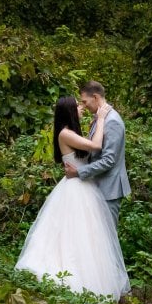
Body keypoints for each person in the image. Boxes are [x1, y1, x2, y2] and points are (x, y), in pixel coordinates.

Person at [14, 93, 131, 300]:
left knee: (87, 236)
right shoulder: (65, 134)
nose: (81, 107)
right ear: (68, 110)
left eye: (82, 103)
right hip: (76, 188)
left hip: (84, 185)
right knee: (74, 235)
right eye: (77, 105)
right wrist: (102, 119)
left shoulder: (71, 132)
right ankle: (73, 278)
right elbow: (95, 146)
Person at [64, 81, 131, 233]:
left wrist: (79, 172)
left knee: (107, 237)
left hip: (109, 188)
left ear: (95, 97)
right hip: (98, 186)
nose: (84, 106)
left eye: (85, 101)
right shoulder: (100, 118)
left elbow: (108, 160)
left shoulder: (112, 121)